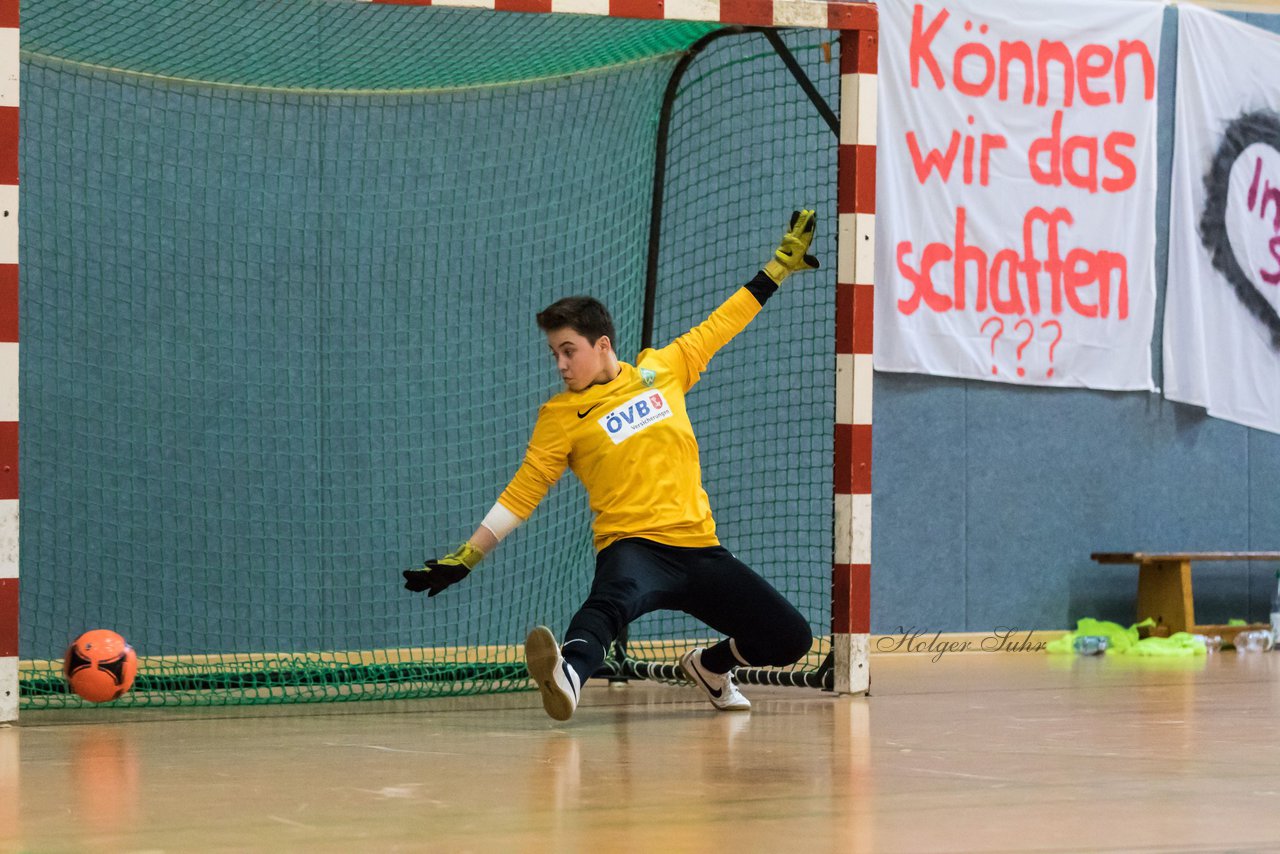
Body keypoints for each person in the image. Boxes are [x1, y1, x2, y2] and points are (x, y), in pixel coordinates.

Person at [404, 211, 821, 721]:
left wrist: (775, 270)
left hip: (700, 547)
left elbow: (721, 324)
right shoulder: (560, 417)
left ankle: (711, 668)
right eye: (554, 353)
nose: (560, 363)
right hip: (634, 546)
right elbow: (523, 492)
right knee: (608, 605)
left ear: (602, 345)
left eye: (568, 350)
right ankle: (569, 677)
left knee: (790, 637)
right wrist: (469, 554)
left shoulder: (661, 370)